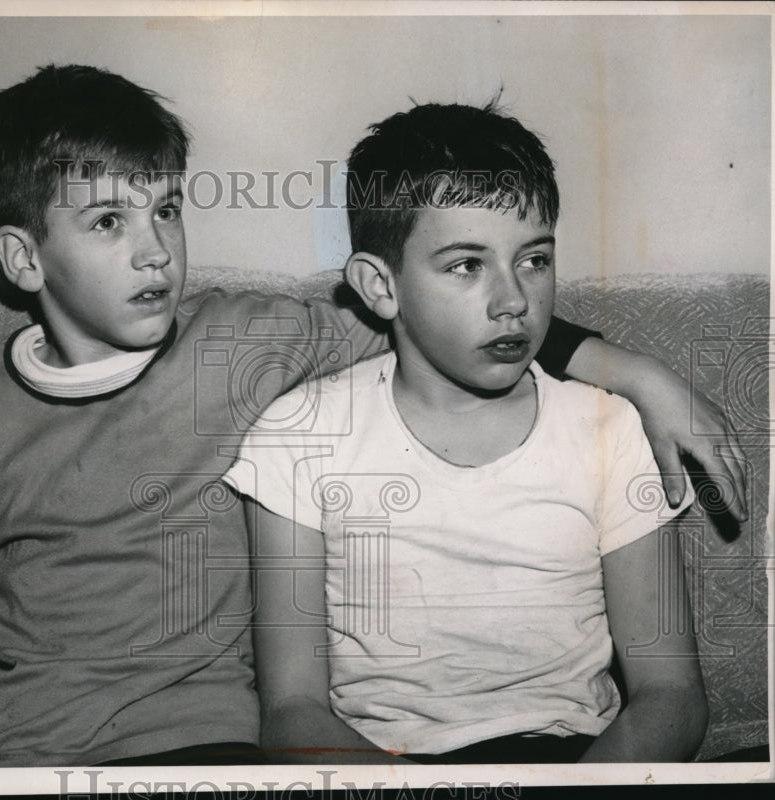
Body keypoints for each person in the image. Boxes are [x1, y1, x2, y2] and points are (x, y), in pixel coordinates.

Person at [0, 66, 731, 769]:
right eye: (109, 224)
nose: (157, 250)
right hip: (13, 753)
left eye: (165, 210)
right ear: (24, 258)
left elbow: (436, 322)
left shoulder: (249, 345)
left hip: (208, 750)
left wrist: (641, 373)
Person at [223, 101, 710, 764]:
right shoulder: (299, 435)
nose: (513, 300)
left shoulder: (610, 426)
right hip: (382, 769)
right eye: (466, 265)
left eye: (534, 260)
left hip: (579, 762)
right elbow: (291, 712)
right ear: (379, 286)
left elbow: (671, 694)